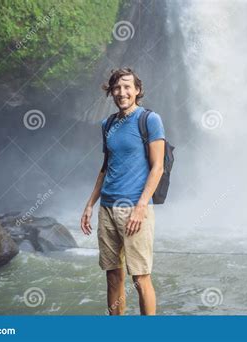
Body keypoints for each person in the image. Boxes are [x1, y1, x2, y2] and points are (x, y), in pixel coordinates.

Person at [80, 67, 165, 315]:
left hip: (134, 209)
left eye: (127, 86)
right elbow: (106, 167)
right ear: (111, 92)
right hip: (107, 208)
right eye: (117, 87)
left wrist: (141, 207)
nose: (122, 92)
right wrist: (90, 204)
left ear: (137, 90)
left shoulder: (149, 120)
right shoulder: (107, 124)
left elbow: (157, 167)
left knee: (140, 278)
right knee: (113, 276)